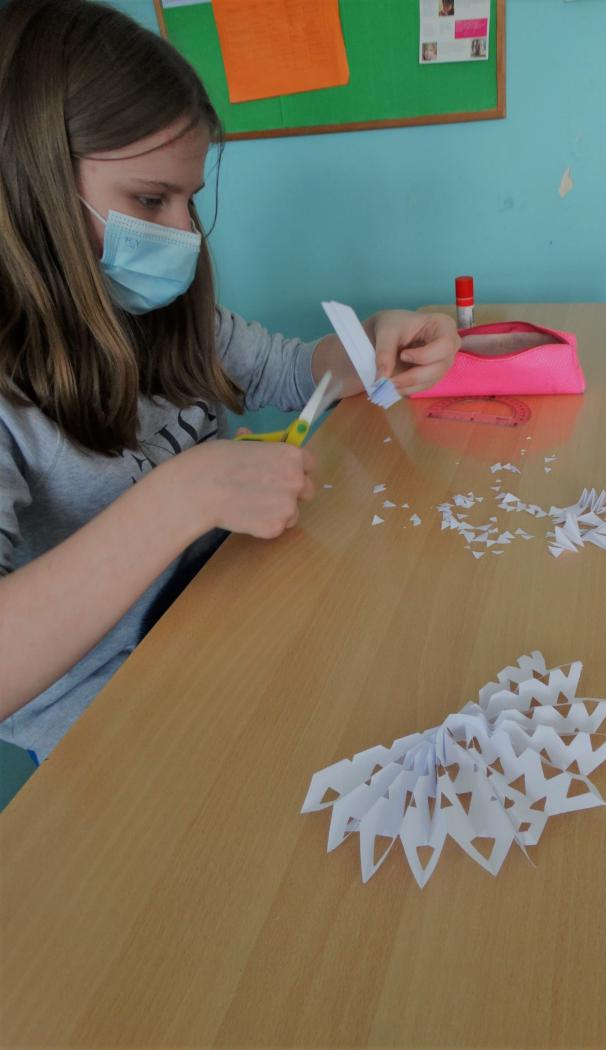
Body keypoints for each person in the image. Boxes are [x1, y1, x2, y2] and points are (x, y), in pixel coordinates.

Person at [0, 0, 460, 762]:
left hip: (232, 615)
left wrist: (374, 344)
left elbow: (290, 370)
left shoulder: (159, 314)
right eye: (150, 200)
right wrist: (178, 500)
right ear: (31, 184)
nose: (183, 234)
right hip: (114, 723)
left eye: (190, 200)